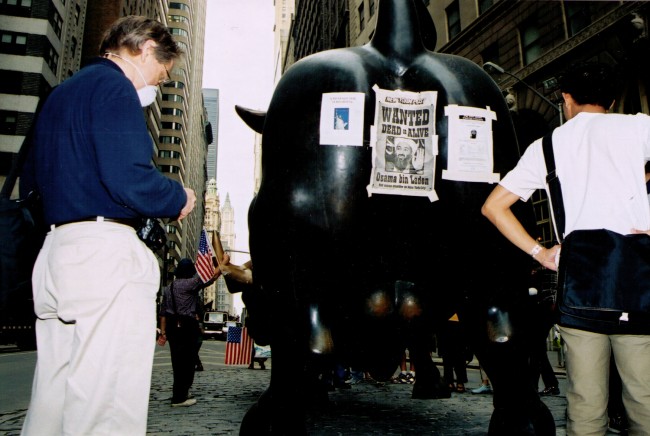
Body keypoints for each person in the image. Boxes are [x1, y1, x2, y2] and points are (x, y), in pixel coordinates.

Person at [18, 15, 194, 436]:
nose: (158, 83)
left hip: (56, 252)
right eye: (161, 71)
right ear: (147, 48)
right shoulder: (116, 87)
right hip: (104, 256)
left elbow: (31, 184)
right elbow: (130, 178)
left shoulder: (61, 94)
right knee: (107, 402)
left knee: (53, 398)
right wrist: (178, 197)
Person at [482, 61, 650, 435]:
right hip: (638, 284)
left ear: (565, 98)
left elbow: (493, 207)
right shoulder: (639, 127)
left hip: (581, 285)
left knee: (586, 405)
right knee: (645, 398)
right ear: (612, 98)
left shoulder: (548, 145)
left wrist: (541, 253)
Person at [157, 259, 220, 407]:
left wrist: (163, 333)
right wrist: (222, 262)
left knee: (177, 361)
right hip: (187, 325)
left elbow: (163, 313)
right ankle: (180, 398)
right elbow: (211, 277)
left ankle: (180, 392)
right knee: (189, 361)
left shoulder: (169, 288)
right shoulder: (189, 284)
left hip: (173, 326)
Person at [437, 313, 469, 393]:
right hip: (446, 322)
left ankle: (459, 381)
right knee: (447, 355)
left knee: (459, 355)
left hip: (460, 322)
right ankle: (449, 381)